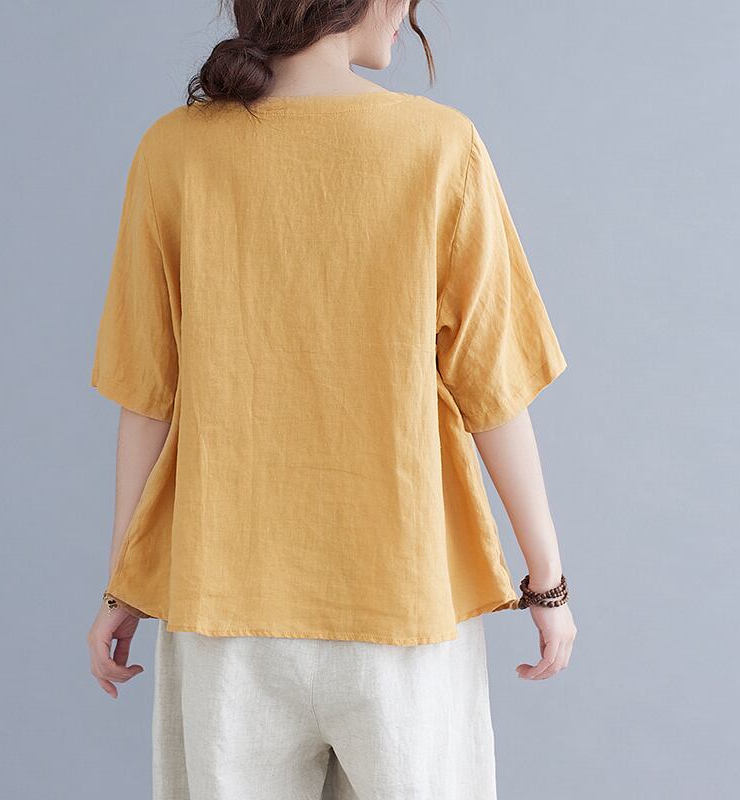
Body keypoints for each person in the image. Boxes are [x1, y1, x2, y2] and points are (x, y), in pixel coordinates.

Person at [86, 1, 578, 797]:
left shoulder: (172, 151)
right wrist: (547, 585)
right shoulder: (439, 147)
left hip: (224, 608)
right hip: (401, 606)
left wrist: (122, 583)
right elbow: (493, 389)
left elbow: (146, 394)